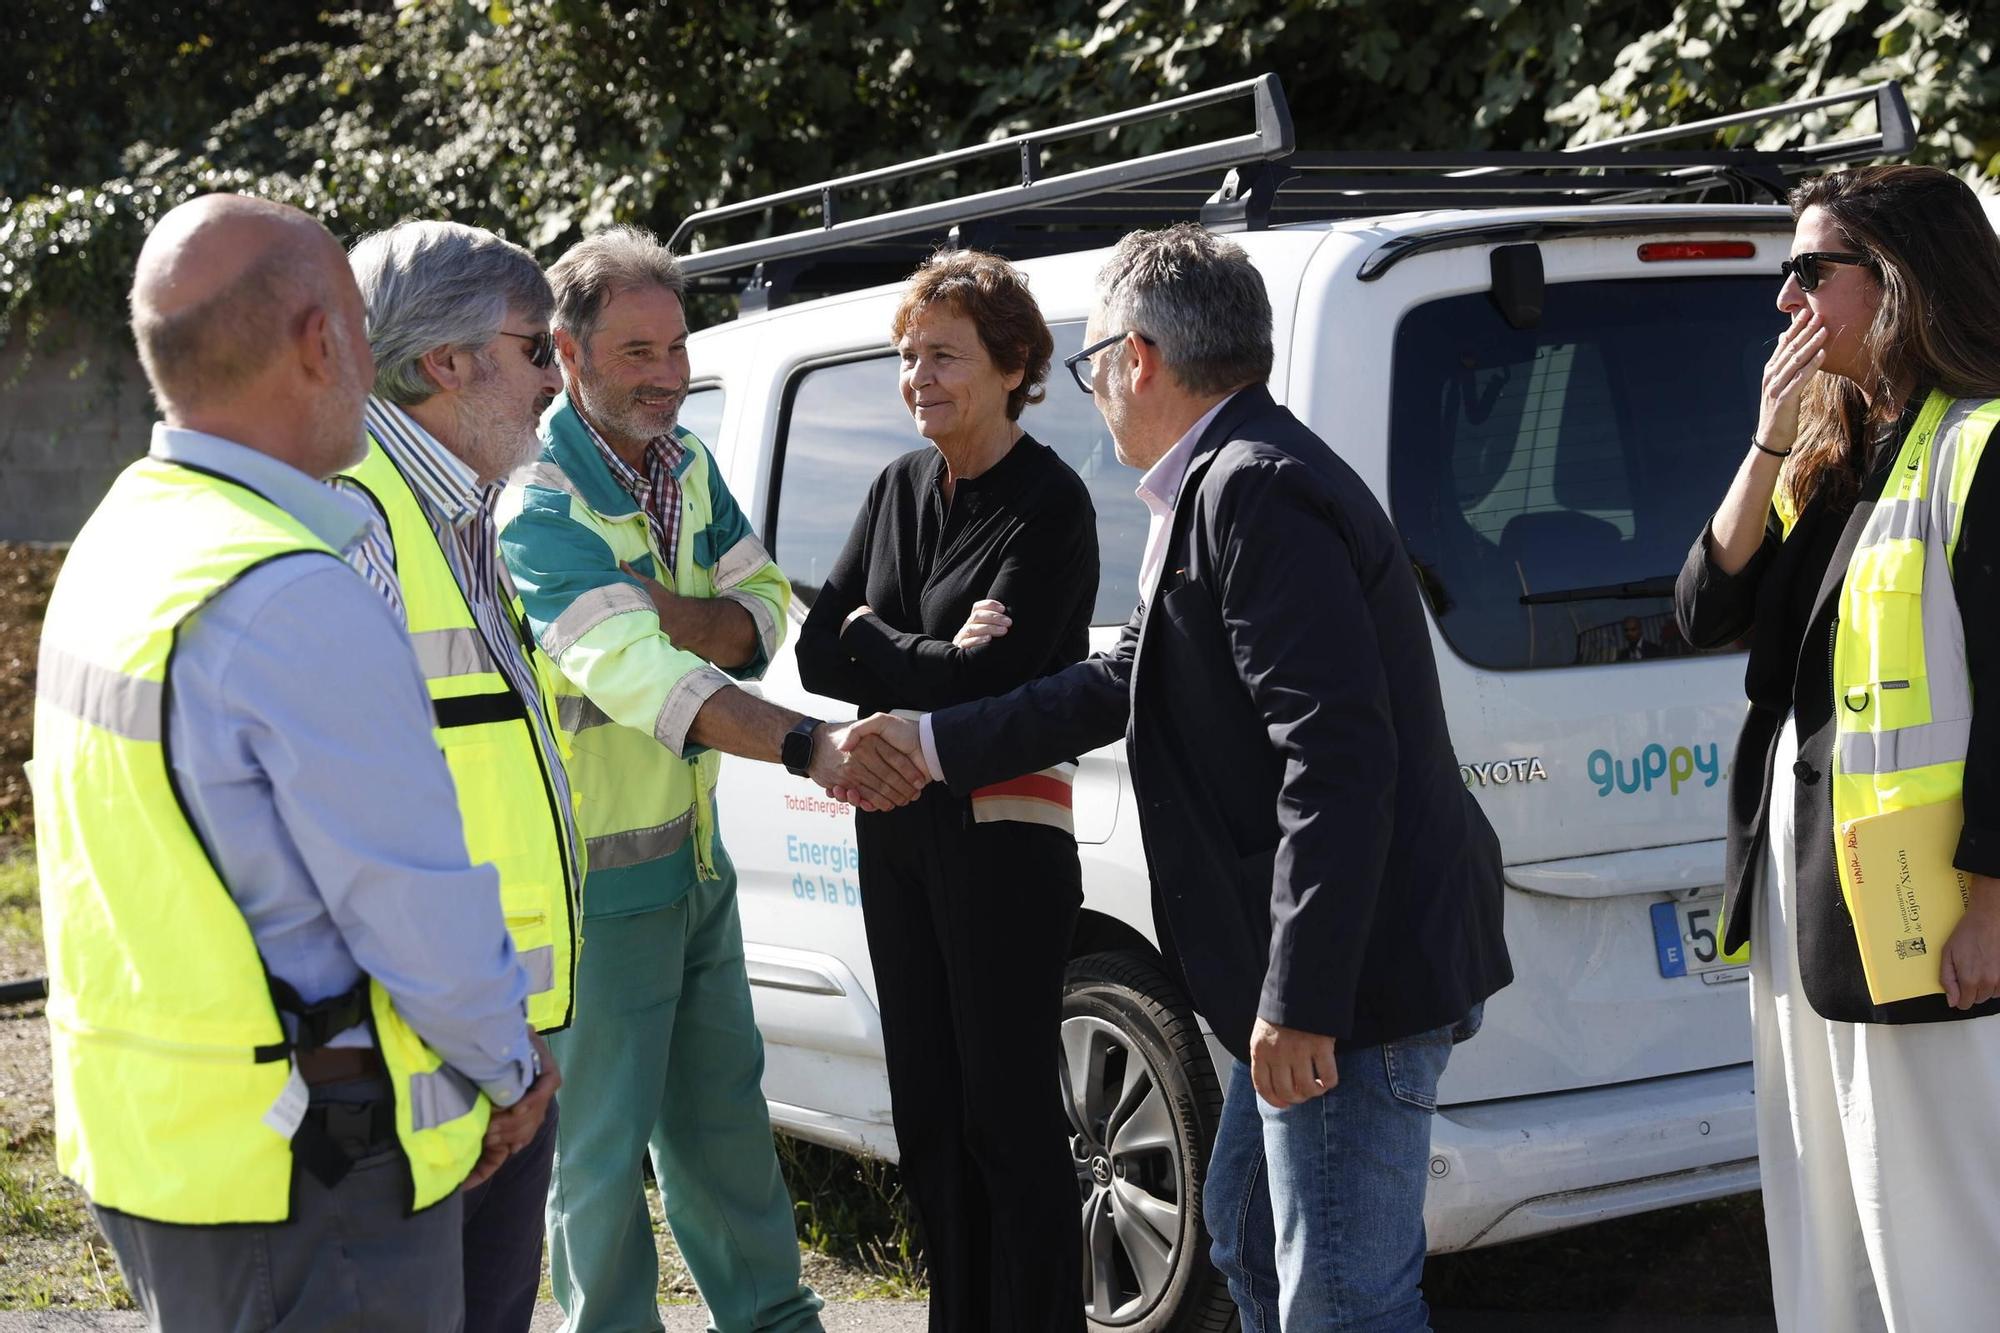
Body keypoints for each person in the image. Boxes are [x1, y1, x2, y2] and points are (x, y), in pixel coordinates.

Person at [839, 224, 1512, 1331]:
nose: (1089, 382)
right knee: (1247, 1239)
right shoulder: (1218, 478)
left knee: (1342, 1301)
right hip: (1289, 975)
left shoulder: (1254, 490)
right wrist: (929, 741)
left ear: (1137, 357)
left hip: (1341, 989)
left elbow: (1335, 766)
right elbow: (1120, 675)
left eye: (1095, 353)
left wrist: (1301, 1001)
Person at [31, 193, 552, 1332]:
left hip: (165, 1145)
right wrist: (512, 1068)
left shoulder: (127, 536)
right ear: (323, 342)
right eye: (365, 329)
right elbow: (408, 901)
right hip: (311, 1171)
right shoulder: (293, 591)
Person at [497, 225, 922, 1333]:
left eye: (677, 347)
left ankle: (776, 1323)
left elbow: (768, 608)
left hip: (693, 866)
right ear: (570, 352)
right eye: (638, 351)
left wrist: (669, 610)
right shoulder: (538, 500)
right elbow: (641, 677)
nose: (668, 375)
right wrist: (800, 742)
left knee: (726, 1129)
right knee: (595, 1167)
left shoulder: (682, 464)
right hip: (594, 889)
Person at [1675, 163, 2000, 1331]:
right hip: (1813, 901)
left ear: (1903, 281)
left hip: (1931, 921)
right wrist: (1765, 443)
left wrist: (1990, 906)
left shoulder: (1980, 442)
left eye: (1811, 271)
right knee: (1829, 1225)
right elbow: (1702, 607)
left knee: (1942, 1235)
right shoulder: (1844, 448)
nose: (1784, 300)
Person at [793, 251, 1096, 1332]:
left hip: (1004, 839)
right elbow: (817, 657)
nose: (917, 376)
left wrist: (875, 634)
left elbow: (985, 685)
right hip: (895, 831)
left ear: (1014, 366)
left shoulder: (1050, 503)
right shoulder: (895, 488)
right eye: (907, 355)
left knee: (1006, 1117)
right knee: (926, 1113)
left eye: (944, 355)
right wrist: (905, 648)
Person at [335, 219, 579, 1333]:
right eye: (537, 346)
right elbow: (354, 830)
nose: (553, 376)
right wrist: (480, 1049)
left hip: (492, 1048)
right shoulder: (360, 521)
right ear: (447, 363)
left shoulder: (462, 513)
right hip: (429, 1070)